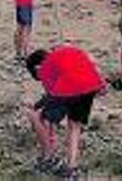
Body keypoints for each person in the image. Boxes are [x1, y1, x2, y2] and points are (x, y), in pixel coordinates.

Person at [25, 45, 105, 179]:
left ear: (37, 68)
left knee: (40, 118)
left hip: (71, 86)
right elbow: (91, 65)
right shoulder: (64, 54)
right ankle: (71, 168)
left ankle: (49, 157)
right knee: (74, 126)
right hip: (90, 86)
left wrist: (36, 107)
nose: (39, 78)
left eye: (36, 75)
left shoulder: (45, 67)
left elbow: (50, 95)